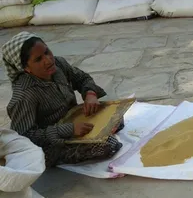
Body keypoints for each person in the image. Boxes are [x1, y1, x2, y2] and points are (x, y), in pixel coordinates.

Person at [2, 32, 123, 167]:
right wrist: (68, 130)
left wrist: (90, 94)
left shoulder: (58, 64)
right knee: (106, 146)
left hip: (74, 119)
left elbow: (82, 78)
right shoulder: (24, 94)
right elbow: (25, 135)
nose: (48, 60)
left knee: (117, 117)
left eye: (47, 52)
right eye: (38, 59)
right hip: (51, 142)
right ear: (26, 68)